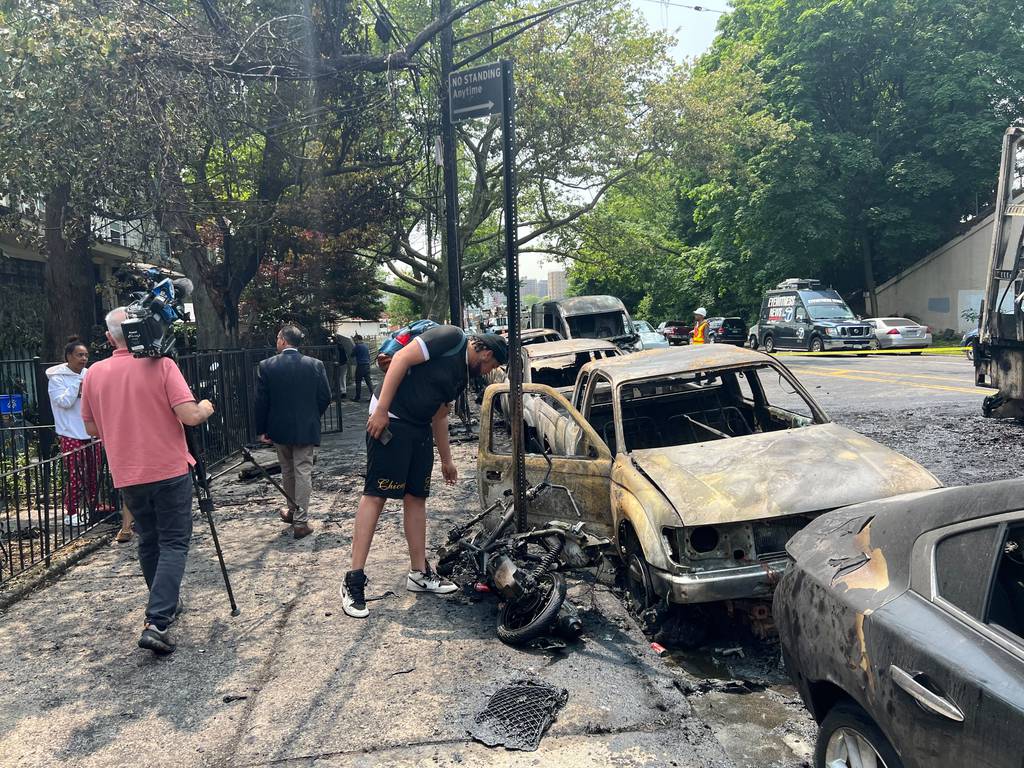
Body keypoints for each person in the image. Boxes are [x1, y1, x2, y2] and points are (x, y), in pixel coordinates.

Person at [340, 326, 507, 619]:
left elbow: (440, 414)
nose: (487, 371)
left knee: (417, 497)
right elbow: (402, 359)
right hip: (391, 418)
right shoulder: (452, 338)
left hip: (418, 428)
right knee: (376, 495)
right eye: (491, 366)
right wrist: (381, 410)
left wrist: (446, 458)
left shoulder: (464, 375)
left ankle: (419, 573)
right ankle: (353, 580)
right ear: (487, 353)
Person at [81, 308, 215, 656]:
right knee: (173, 542)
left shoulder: (93, 373)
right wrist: (206, 406)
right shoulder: (163, 366)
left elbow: (91, 429)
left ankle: (164, 603)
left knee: (148, 540)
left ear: (110, 337)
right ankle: (157, 621)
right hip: (168, 469)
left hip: (127, 472)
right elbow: (189, 416)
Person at [47, 338, 134, 539]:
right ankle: (72, 511)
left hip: (90, 431)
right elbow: (63, 402)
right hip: (70, 432)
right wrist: (77, 387)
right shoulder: (57, 378)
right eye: (79, 355)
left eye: (86, 355)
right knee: (75, 474)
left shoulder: (89, 374)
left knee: (94, 472)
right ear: (69, 356)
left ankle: (93, 506)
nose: (84, 359)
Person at [254, 325, 332, 539]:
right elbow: (325, 396)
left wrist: (262, 429)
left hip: (278, 428)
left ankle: (292, 511)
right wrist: (312, 416)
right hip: (306, 427)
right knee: (303, 471)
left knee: (287, 470)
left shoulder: (266, 366)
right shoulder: (315, 365)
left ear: (282, 340)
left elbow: (262, 402)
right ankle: (301, 520)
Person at [351, 334, 374, 402]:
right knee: (368, 382)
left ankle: (357, 397)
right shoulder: (366, 346)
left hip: (360, 365)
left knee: (358, 381)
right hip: (367, 365)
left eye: (355, 340)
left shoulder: (357, 347)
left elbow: (352, 355)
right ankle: (373, 396)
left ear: (358, 339)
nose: (354, 341)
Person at [336, 333, 355, 399]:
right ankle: (342, 391)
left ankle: (342, 391)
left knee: (340, 377)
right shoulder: (344, 346)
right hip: (343, 363)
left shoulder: (339, 347)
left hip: (341, 363)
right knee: (342, 377)